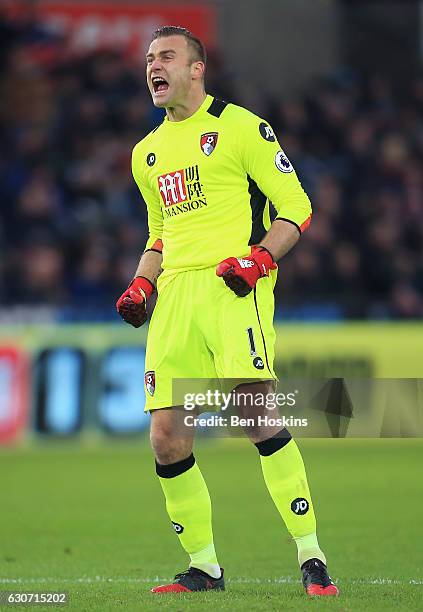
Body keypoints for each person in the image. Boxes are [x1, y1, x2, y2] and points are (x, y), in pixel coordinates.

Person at [116, 26, 338, 597]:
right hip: (177, 298)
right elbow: (159, 234)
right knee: (166, 436)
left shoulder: (240, 127)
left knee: (253, 413)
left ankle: (311, 557)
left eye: (165, 57)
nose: (153, 68)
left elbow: (297, 206)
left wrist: (260, 259)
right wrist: (142, 285)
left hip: (232, 285)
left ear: (196, 68)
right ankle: (204, 568)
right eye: (148, 60)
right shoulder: (147, 154)